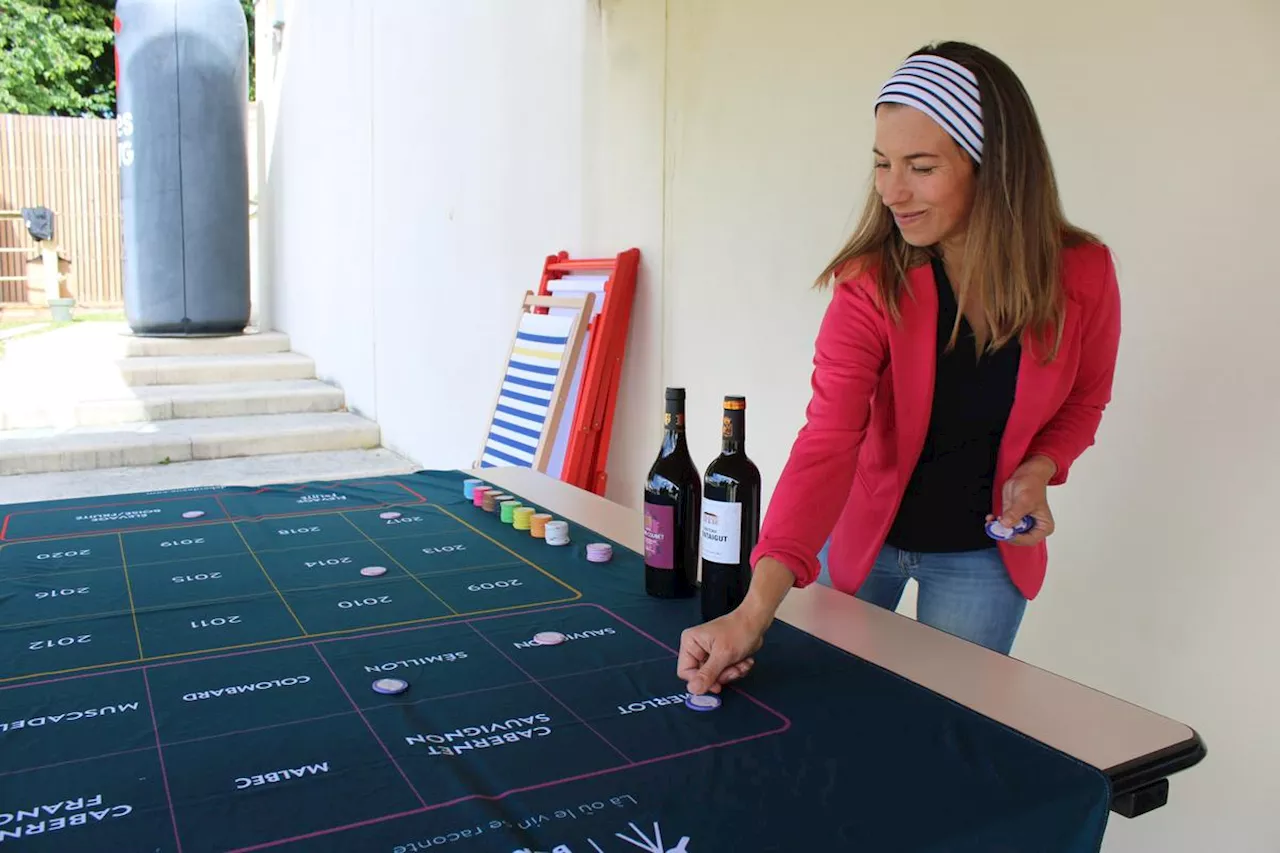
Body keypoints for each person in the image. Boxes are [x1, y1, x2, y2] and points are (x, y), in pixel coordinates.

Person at [678, 40, 1121, 695]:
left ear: (990, 167)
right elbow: (828, 439)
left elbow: (1084, 402)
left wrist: (1038, 469)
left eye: (920, 165)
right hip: (861, 542)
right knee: (830, 715)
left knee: (949, 733)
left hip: (982, 559)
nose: (891, 189)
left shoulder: (1081, 273)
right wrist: (753, 607)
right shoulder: (869, 283)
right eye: (882, 163)